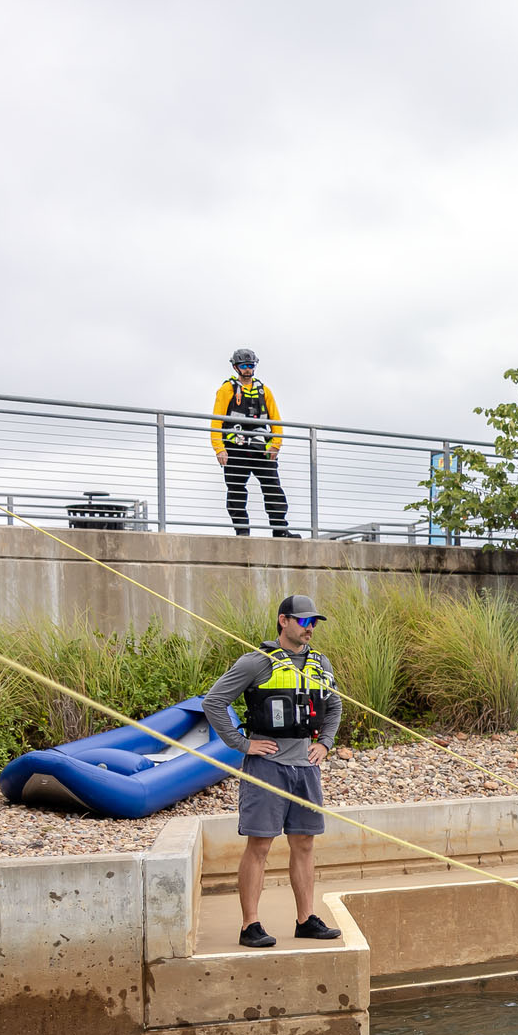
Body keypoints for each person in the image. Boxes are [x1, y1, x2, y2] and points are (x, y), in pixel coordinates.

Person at [202, 594, 345, 948]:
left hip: (306, 767)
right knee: (260, 845)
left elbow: (335, 703)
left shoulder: (320, 664)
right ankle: (250, 925)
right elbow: (213, 702)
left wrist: (325, 743)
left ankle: (305, 919)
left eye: (314, 623)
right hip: (267, 766)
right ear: (284, 621)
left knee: (305, 844)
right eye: (303, 621)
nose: (310, 628)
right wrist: (243, 744)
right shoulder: (256, 663)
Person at [212, 349, 293, 537]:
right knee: (236, 490)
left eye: (251, 366)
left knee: (273, 488)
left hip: (260, 449)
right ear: (236, 367)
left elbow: (276, 421)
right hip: (235, 449)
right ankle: (242, 532)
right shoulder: (226, 390)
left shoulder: (264, 391)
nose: (248, 370)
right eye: (244, 366)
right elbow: (216, 421)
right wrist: (219, 449)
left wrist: (276, 444)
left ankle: (281, 530)